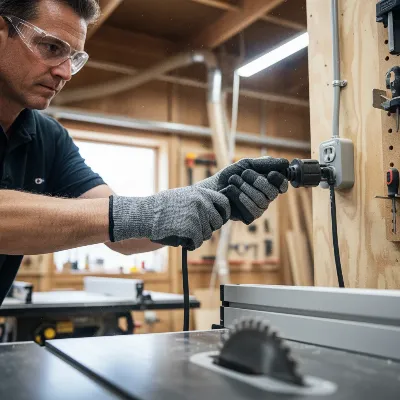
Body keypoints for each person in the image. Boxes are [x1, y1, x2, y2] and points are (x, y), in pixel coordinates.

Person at [0, 0, 289, 305]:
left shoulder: (49, 138)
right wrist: (143, 213)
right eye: (51, 47)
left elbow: (119, 234)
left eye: (73, 58)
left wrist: (215, 194)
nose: (65, 73)